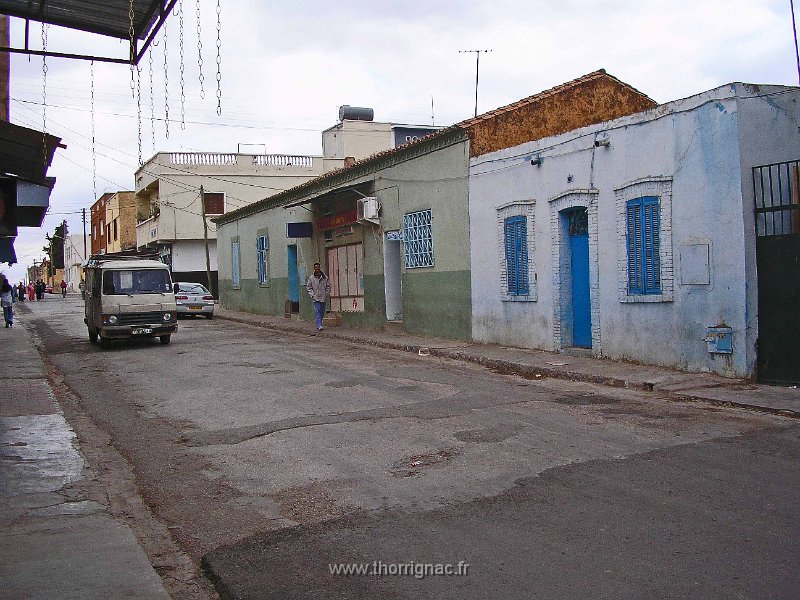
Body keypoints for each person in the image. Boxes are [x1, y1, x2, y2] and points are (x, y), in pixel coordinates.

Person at [306, 262, 331, 331]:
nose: (317, 269)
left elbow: (328, 286)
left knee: (322, 311)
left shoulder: (325, 277)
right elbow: (309, 288)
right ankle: (319, 325)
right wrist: (312, 295)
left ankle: (320, 323)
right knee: (317, 311)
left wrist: (326, 294)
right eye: (316, 268)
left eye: (318, 268)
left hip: (323, 297)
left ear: (320, 268)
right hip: (315, 298)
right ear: (314, 268)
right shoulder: (311, 278)